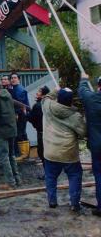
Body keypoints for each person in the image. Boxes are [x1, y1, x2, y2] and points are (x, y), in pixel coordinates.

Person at [42, 87, 86, 212]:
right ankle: (74, 203)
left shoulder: (47, 106)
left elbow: (46, 98)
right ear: (71, 100)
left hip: (50, 152)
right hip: (69, 153)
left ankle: (52, 201)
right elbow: (83, 133)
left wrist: (56, 90)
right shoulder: (75, 116)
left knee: (50, 177)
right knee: (75, 176)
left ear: (58, 98)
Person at [0, 77, 21, 190]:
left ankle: (10, 183)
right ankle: (17, 179)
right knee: (11, 155)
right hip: (12, 129)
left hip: (1, 131)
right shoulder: (7, 94)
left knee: (4, 157)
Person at [79, 73, 101, 217]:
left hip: (97, 146)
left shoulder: (92, 99)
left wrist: (84, 79)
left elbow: (82, 91)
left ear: (99, 86)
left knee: (99, 176)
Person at [27, 86, 50, 180]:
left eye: (39, 91)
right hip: (50, 132)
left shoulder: (37, 105)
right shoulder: (50, 103)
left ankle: (48, 174)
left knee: (42, 153)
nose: (37, 93)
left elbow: (32, 118)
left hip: (42, 133)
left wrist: (26, 114)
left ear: (43, 94)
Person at [10, 72, 30, 159]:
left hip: (21, 114)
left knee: (20, 133)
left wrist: (17, 113)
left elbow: (20, 103)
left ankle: (23, 154)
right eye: (12, 78)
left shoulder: (19, 89)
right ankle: (24, 153)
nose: (13, 79)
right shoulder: (14, 88)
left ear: (19, 79)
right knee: (21, 132)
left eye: (15, 78)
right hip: (21, 114)